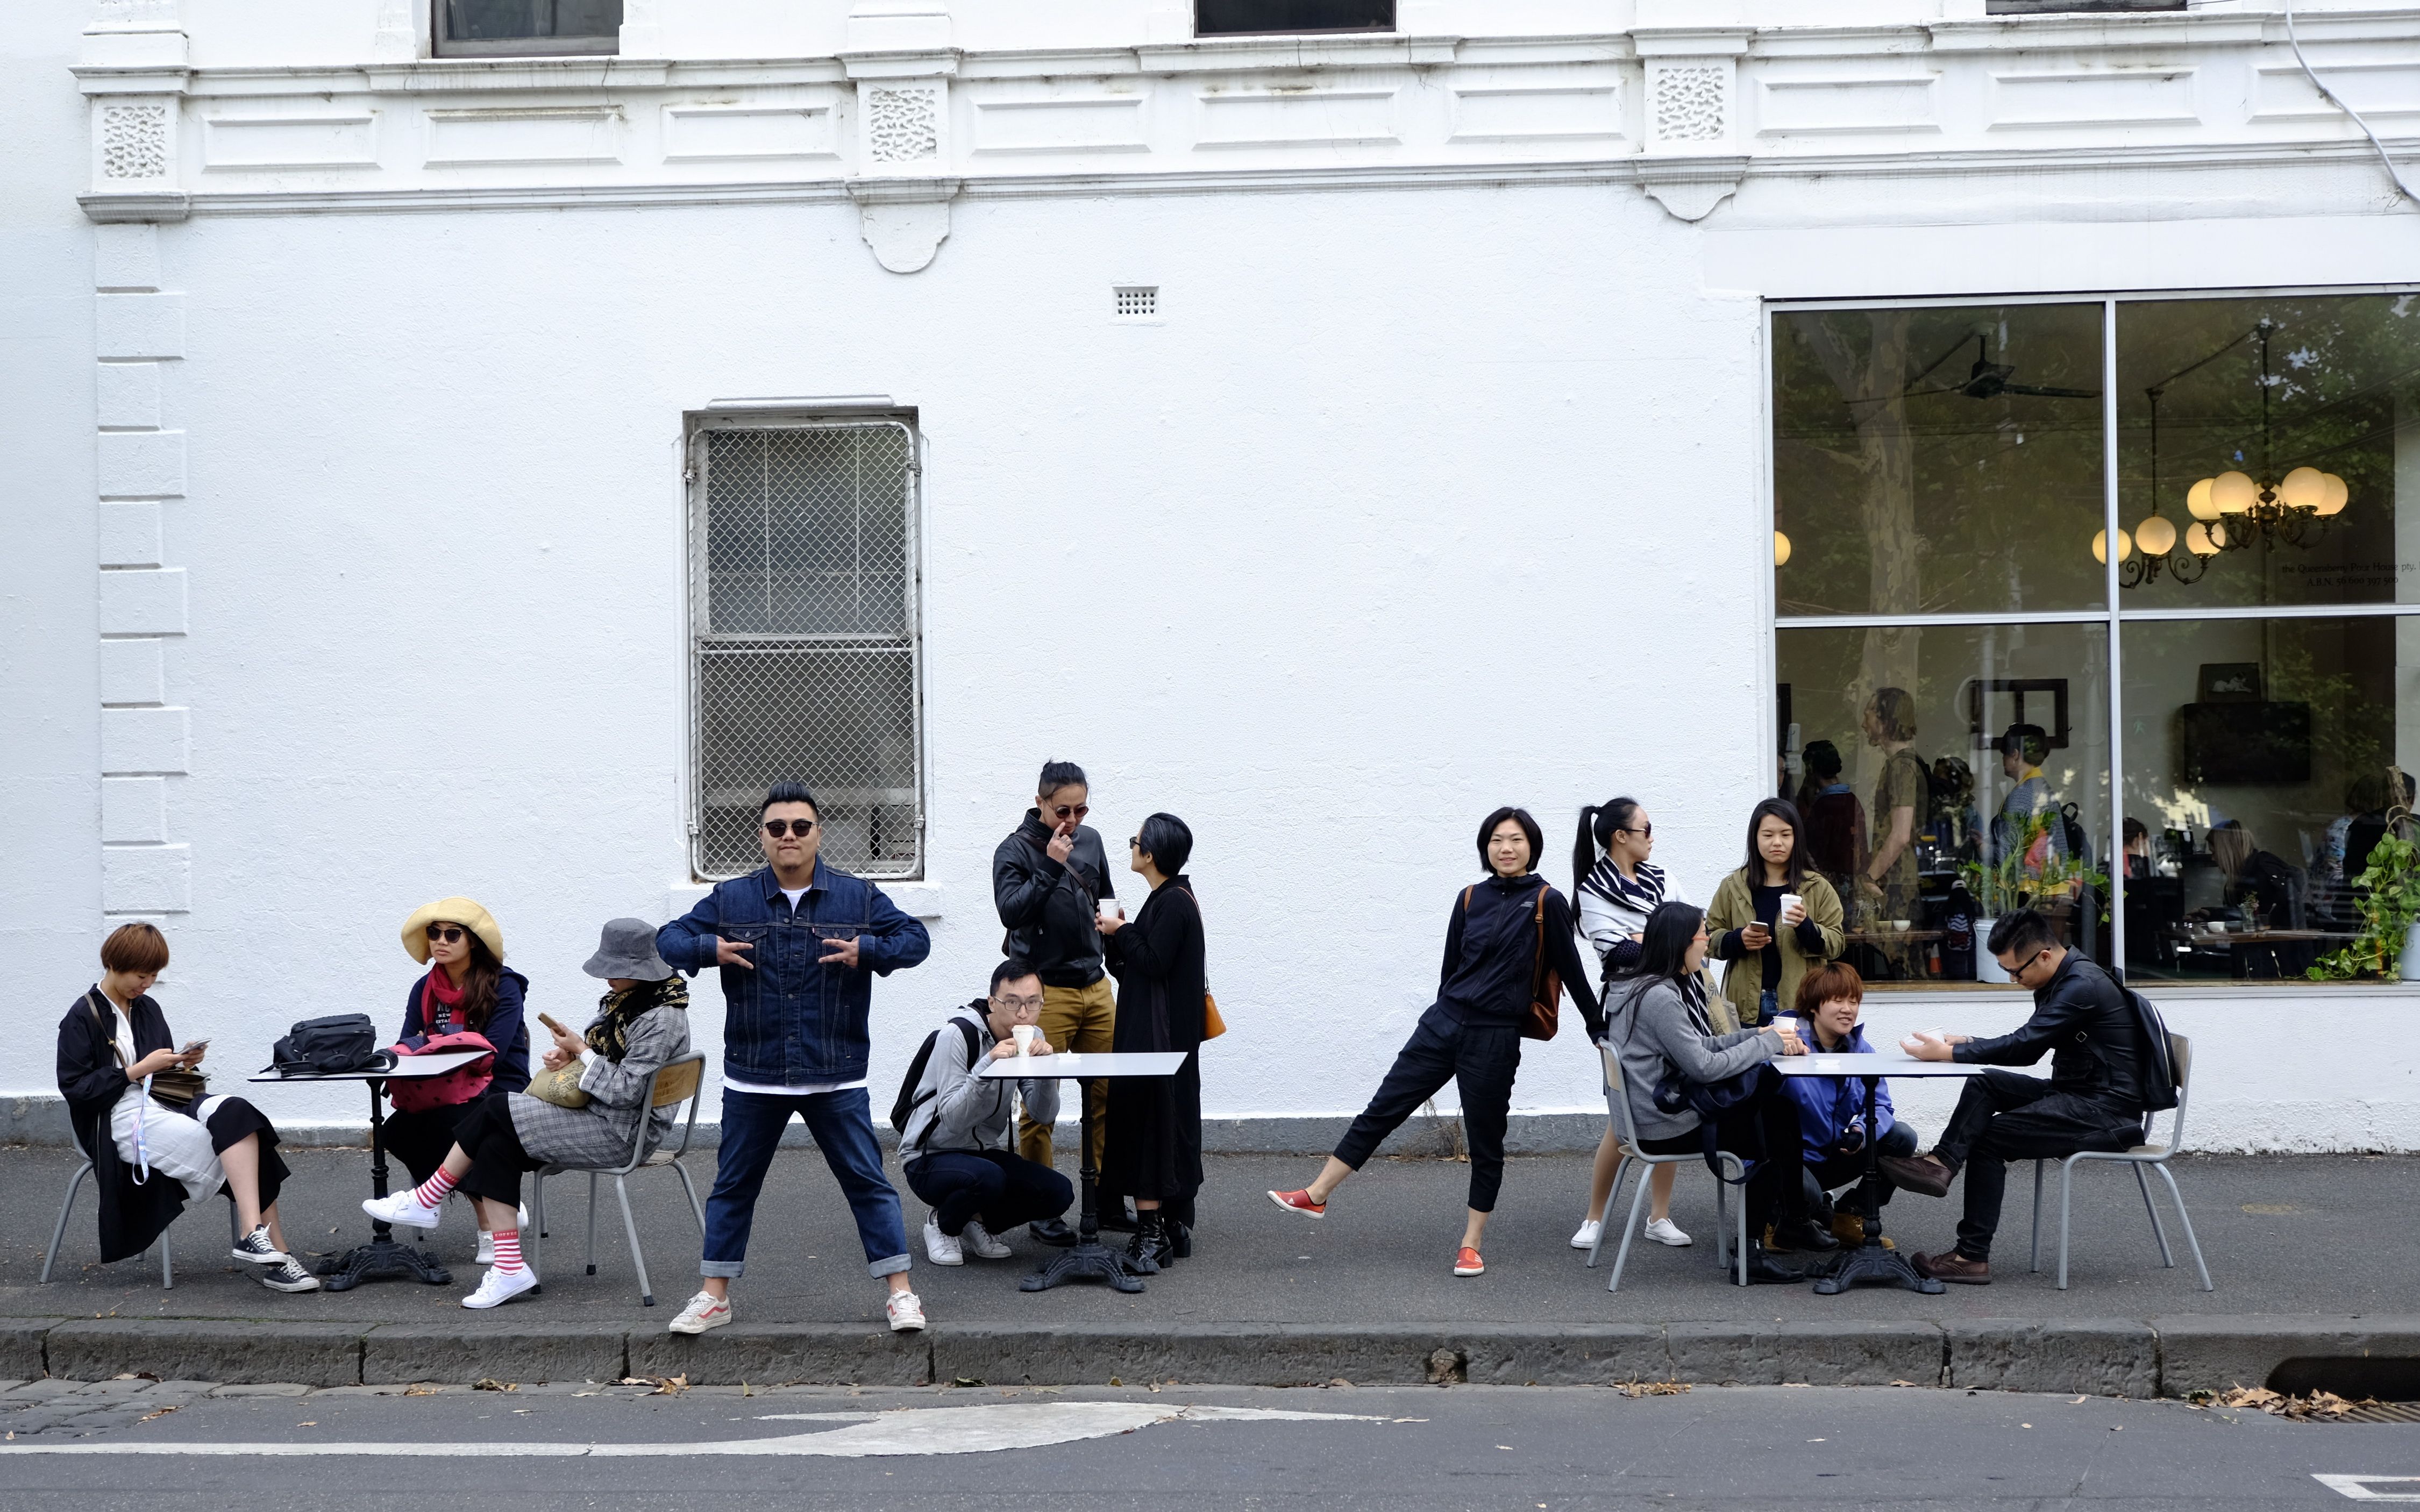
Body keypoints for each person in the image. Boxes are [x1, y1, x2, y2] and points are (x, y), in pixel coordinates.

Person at [1268, 808, 1599, 1278]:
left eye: (1516, 840)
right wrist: (1445, 1015)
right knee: (1383, 1108)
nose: (1506, 848)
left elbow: (1571, 971)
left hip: (1495, 1037)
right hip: (1444, 1024)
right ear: (1486, 848)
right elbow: (1451, 970)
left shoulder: (1548, 901)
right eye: (1497, 840)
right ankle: (1317, 1194)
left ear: (1532, 847)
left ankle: (1471, 1243)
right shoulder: (1469, 899)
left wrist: (1597, 1027)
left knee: (1486, 1143)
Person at [656, 782, 934, 1335]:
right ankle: (715, 1297)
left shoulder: (857, 897)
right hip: (755, 1073)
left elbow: (914, 941)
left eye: (800, 827)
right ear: (761, 836)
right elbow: (669, 939)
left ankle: (901, 1294)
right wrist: (708, 949)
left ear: (817, 834)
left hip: (834, 1071)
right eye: (777, 827)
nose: (789, 836)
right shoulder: (731, 899)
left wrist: (869, 951)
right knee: (734, 1185)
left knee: (868, 1181)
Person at [364, 917, 694, 1309]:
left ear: (640, 971)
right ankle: (508, 1268)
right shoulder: (627, 1003)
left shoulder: (662, 1019)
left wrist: (584, 1053)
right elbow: (604, 1056)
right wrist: (570, 1053)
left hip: (623, 1134)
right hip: (601, 1117)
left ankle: (428, 1197)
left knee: (498, 1106)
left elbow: (625, 1091)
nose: (607, 978)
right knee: (495, 1144)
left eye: (616, 971)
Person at [1878, 908, 2154, 1284]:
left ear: (2043, 956)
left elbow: (2025, 1049)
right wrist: (1966, 1043)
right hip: (2080, 1095)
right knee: (1986, 1082)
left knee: (1989, 1139)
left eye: (2016, 972)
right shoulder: (2062, 978)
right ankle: (1942, 1163)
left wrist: (1951, 1053)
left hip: (2105, 1113)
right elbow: (2030, 1044)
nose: (2013, 980)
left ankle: (1970, 1257)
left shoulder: (2082, 986)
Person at [54, 922, 318, 1293]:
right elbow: (75, 1088)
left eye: (153, 976)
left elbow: (161, 1078)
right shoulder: (82, 1017)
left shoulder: (147, 1009)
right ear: (113, 964)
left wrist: (184, 1062)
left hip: (164, 1102)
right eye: (141, 975)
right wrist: (136, 1070)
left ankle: (252, 1235)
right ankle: (277, 1253)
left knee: (239, 1116)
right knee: (229, 1146)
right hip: (117, 1117)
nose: (146, 984)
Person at [1601, 903, 1832, 1282]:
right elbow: (1704, 1067)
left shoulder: (1643, 985)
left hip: (1650, 1117)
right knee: (1769, 1130)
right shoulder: (1660, 997)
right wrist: (1770, 1042)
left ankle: (1793, 1220)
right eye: (1702, 934)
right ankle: (1754, 1252)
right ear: (1681, 943)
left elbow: (1701, 1047)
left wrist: (1756, 1036)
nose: (1707, 941)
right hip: (1664, 1126)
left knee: (1778, 1112)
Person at [993, 759, 1118, 1245]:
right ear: (1041, 801)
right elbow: (1010, 911)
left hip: (1095, 984)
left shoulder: (1092, 839)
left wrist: (1113, 930)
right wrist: (1049, 862)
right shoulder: (1015, 849)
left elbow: (1105, 896)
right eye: (1062, 809)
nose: (1072, 820)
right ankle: (1042, 1207)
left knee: (1108, 1095)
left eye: (1081, 809)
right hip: (1046, 992)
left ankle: (1104, 1198)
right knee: (1041, 1104)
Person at [1568, 797, 1692, 1254]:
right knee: (1620, 1115)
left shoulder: (1663, 878)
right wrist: (1659, 943)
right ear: (1621, 836)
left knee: (1670, 1100)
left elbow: (1688, 931)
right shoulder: (1592, 889)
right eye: (1646, 828)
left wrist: (1647, 941)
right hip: (1625, 1008)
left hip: (1676, 1001)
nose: (1652, 836)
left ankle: (1658, 1216)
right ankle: (1594, 1217)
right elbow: (1615, 952)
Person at [386, 896, 532, 1265]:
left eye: (453, 934)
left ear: (473, 942)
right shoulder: (423, 988)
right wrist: (432, 1045)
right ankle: (481, 1204)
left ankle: (488, 1223)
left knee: (457, 1123)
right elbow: (406, 1043)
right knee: (397, 1130)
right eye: (434, 933)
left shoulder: (505, 985)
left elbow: (491, 1050)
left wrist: (428, 1042)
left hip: (499, 1083)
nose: (441, 941)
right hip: (441, 1086)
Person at [898, 960, 1072, 1266]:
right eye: (1013, 1003)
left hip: (982, 1154)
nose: (1023, 1013)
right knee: (989, 1178)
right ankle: (941, 1223)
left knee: (1058, 1192)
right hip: (930, 1156)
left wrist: (1047, 1070)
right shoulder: (958, 1034)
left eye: (1033, 1003)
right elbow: (952, 1119)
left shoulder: (1035, 1036)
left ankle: (972, 1219)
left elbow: (1043, 1114)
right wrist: (986, 1067)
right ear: (993, 1002)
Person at [1097, 812, 1208, 1270]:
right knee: (1165, 1121)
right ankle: (1172, 1226)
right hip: (1160, 1034)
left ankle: (1152, 1234)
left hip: (1157, 1040)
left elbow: (1156, 961)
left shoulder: (1173, 902)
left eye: (1135, 840)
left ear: (1151, 852)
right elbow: (1138, 966)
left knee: (1152, 1124)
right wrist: (1120, 935)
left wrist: (1121, 931)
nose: (1131, 847)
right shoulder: (1168, 898)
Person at [1779, 961, 1917, 1245]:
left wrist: (1861, 1132)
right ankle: (1774, 1220)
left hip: (1836, 1154)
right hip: (1790, 1161)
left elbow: (1881, 1106)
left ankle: (1849, 1214)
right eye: (1838, 1000)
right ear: (1814, 1006)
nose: (1848, 1009)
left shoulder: (1862, 1049)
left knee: (1903, 1137)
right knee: (1809, 1195)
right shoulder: (1785, 1041)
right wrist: (1776, 1048)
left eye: (1854, 1001)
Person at [1705, 798, 1846, 1029]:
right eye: (1768, 835)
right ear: (1755, 838)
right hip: (1747, 1005)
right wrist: (1738, 940)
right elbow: (1707, 939)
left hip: (1801, 1003)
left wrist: (1806, 927)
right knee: (1752, 1064)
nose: (1777, 843)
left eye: (1786, 835)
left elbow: (1837, 943)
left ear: (1796, 838)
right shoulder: (1733, 886)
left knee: (1799, 1064)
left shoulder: (1817, 887)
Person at [1857, 688, 1928, 942]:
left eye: (1869, 711)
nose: (1864, 720)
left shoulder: (1902, 767)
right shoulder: (1901, 764)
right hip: (1896, 881)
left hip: (1897, 885)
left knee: (1898, 957)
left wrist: (1870, 877)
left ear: (1884, 719)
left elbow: (1900, 835)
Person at [1992, 725, 2069, 872]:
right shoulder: (2041, 786)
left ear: (2014, 755)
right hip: (2047, 882)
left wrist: (1982, 848)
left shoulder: (2023, 793)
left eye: (2004, 754)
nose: (2002, 759)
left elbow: (2009, 852)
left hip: (2027, 885)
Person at [1795, 740, 1866, 898]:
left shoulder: (1823, 807)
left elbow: (1811, 853)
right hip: (1856, 881)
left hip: (1830, 886)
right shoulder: (1853, 801)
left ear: (1811, 769)